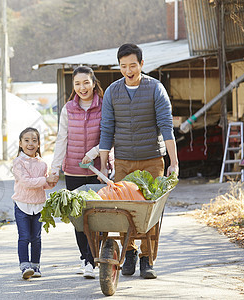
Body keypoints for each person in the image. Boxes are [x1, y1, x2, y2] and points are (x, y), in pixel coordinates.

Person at [98, 43, 179, 279]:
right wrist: (103, 164)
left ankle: (147, 258)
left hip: (152, 159)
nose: (128, 70)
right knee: (124, 210)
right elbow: (107, 130)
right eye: (123, 66)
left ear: (142, 64)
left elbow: (166, 126)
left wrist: (173, 162)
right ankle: (130, 252)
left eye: (132, 65)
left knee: (149, 210)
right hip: (123, 160)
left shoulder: (155, 89)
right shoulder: (113, 92)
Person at [48, 66, 111, 279]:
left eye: (86, 82)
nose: (82, 87)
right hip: (74, 171)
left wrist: (93, 153)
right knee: (79, 219)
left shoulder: (105, 106)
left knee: (99, 218)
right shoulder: (68, 108)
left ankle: (99, 257)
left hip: (97, 171)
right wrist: (54, 169)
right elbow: (61, 139)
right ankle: (87, 259)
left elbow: (109, 135)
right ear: (73, 86)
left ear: (94, 83)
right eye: (77, 83)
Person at [12, 127, 54, 280]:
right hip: (22, 204)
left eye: (34, 140)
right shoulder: (18, 162)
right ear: (20, 143)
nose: (30, 143)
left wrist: (51, 182)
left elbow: (43, 184)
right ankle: (25, 266)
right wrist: (45, 180)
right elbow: (26, 182)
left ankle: (35, 266)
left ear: (38, 144)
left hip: (38, 205)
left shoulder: (42, 164)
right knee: (24, 237)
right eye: (27, 140)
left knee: (36, 237)